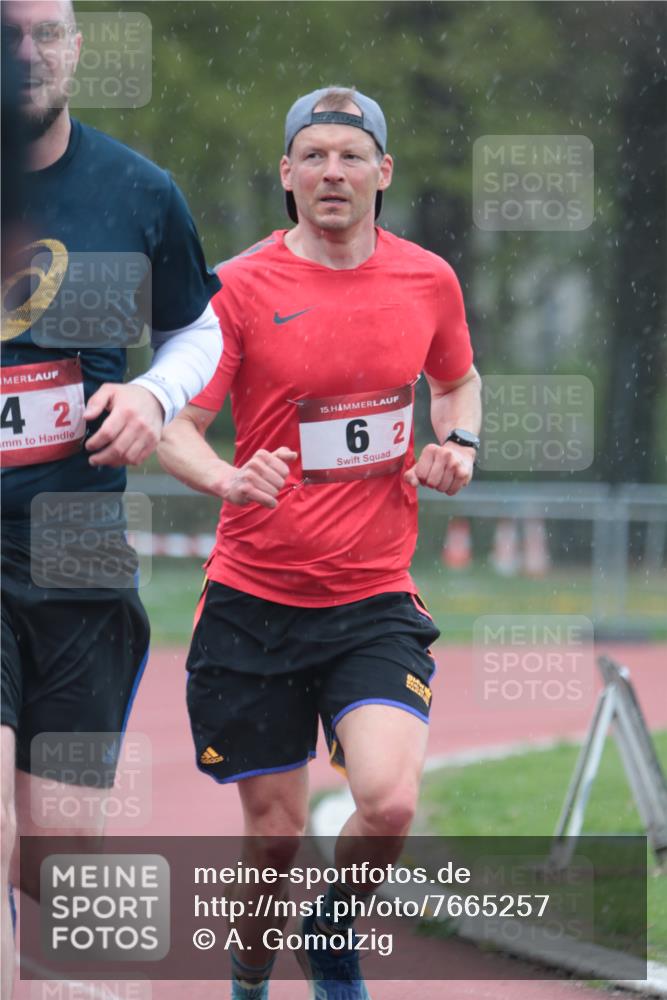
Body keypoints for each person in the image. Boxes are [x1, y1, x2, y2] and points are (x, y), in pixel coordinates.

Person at [159, 85, 482, 1000]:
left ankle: (331, 929)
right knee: (272, 839)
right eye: (314, 155)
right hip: (253, 605)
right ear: (287, 175)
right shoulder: (237, 287)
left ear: (383, 172)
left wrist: (456, 442)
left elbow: (457, 381)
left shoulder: (427, 279)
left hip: (372, 598)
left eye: (351, 155)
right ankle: (252, 972)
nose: (332, 172)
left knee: (388, 803)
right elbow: (177, 421)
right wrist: (224, 477)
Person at [0, 2, 222, 995]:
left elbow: (199, 331)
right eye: (8, 32)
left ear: (78, 50)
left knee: (58, 848)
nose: (27, 53)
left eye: (47, 33)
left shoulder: (137, 190)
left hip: (79, 554)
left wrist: (150, 393)